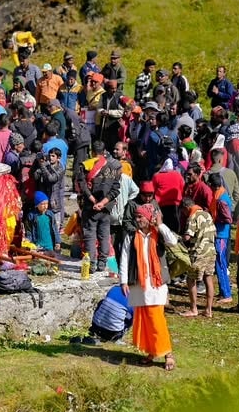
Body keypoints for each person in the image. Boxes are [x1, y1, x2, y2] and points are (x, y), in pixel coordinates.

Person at [119, 203, 178, 369]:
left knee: (156, 319)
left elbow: (173, 241)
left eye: (141, 217)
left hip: (156, 285)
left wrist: (159, 224)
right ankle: (151, 352)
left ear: (148, 217)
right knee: (144, 321)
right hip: (138, 285)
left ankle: (168, 354)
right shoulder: (131, 236)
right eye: (136, 217)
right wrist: (123, 281)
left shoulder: (158, 233)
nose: (138, 220)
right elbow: (124, 258)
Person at [75, 141, 122, 273]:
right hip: (106, 207)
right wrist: (103, 203)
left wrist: (93, 200)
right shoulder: (114, 166)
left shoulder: (86, 165)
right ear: (104, 151)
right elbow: (115, 189)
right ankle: (102, 263)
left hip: (90, 206)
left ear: (92, 151)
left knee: (90, 235)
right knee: (104, 235)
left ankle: (92, 264)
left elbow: (82, 185)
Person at [180, 196, 217, 318]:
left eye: (183, 211)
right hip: (211, 251)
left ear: (186, 207)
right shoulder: (207, 214)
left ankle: (193, 308)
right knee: (208, 278)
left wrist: (179, 239)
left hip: (199, 253)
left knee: (191, 280)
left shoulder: (193, 217)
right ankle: (208, 310)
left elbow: (188, 237)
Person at [207, 171, 234, 304]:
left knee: (221, 264)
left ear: (212, 185)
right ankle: (223, 291)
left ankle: (227, 294)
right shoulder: (221, 194)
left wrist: (216, 219)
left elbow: (228, 219)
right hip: (220, 234)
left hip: (221, 236)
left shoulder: (221, 200)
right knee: (219, 263)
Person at [25, 191, 61, 255]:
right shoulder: (32, 216)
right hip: (38, 245)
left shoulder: (50, 215)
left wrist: (57, 242)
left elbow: (55, 228)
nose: (45, 206)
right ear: (37, 205)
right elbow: (29, 231)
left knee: (50, 260)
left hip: (49, 245)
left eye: (46, 203)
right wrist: (28, 241)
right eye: (42, 204)